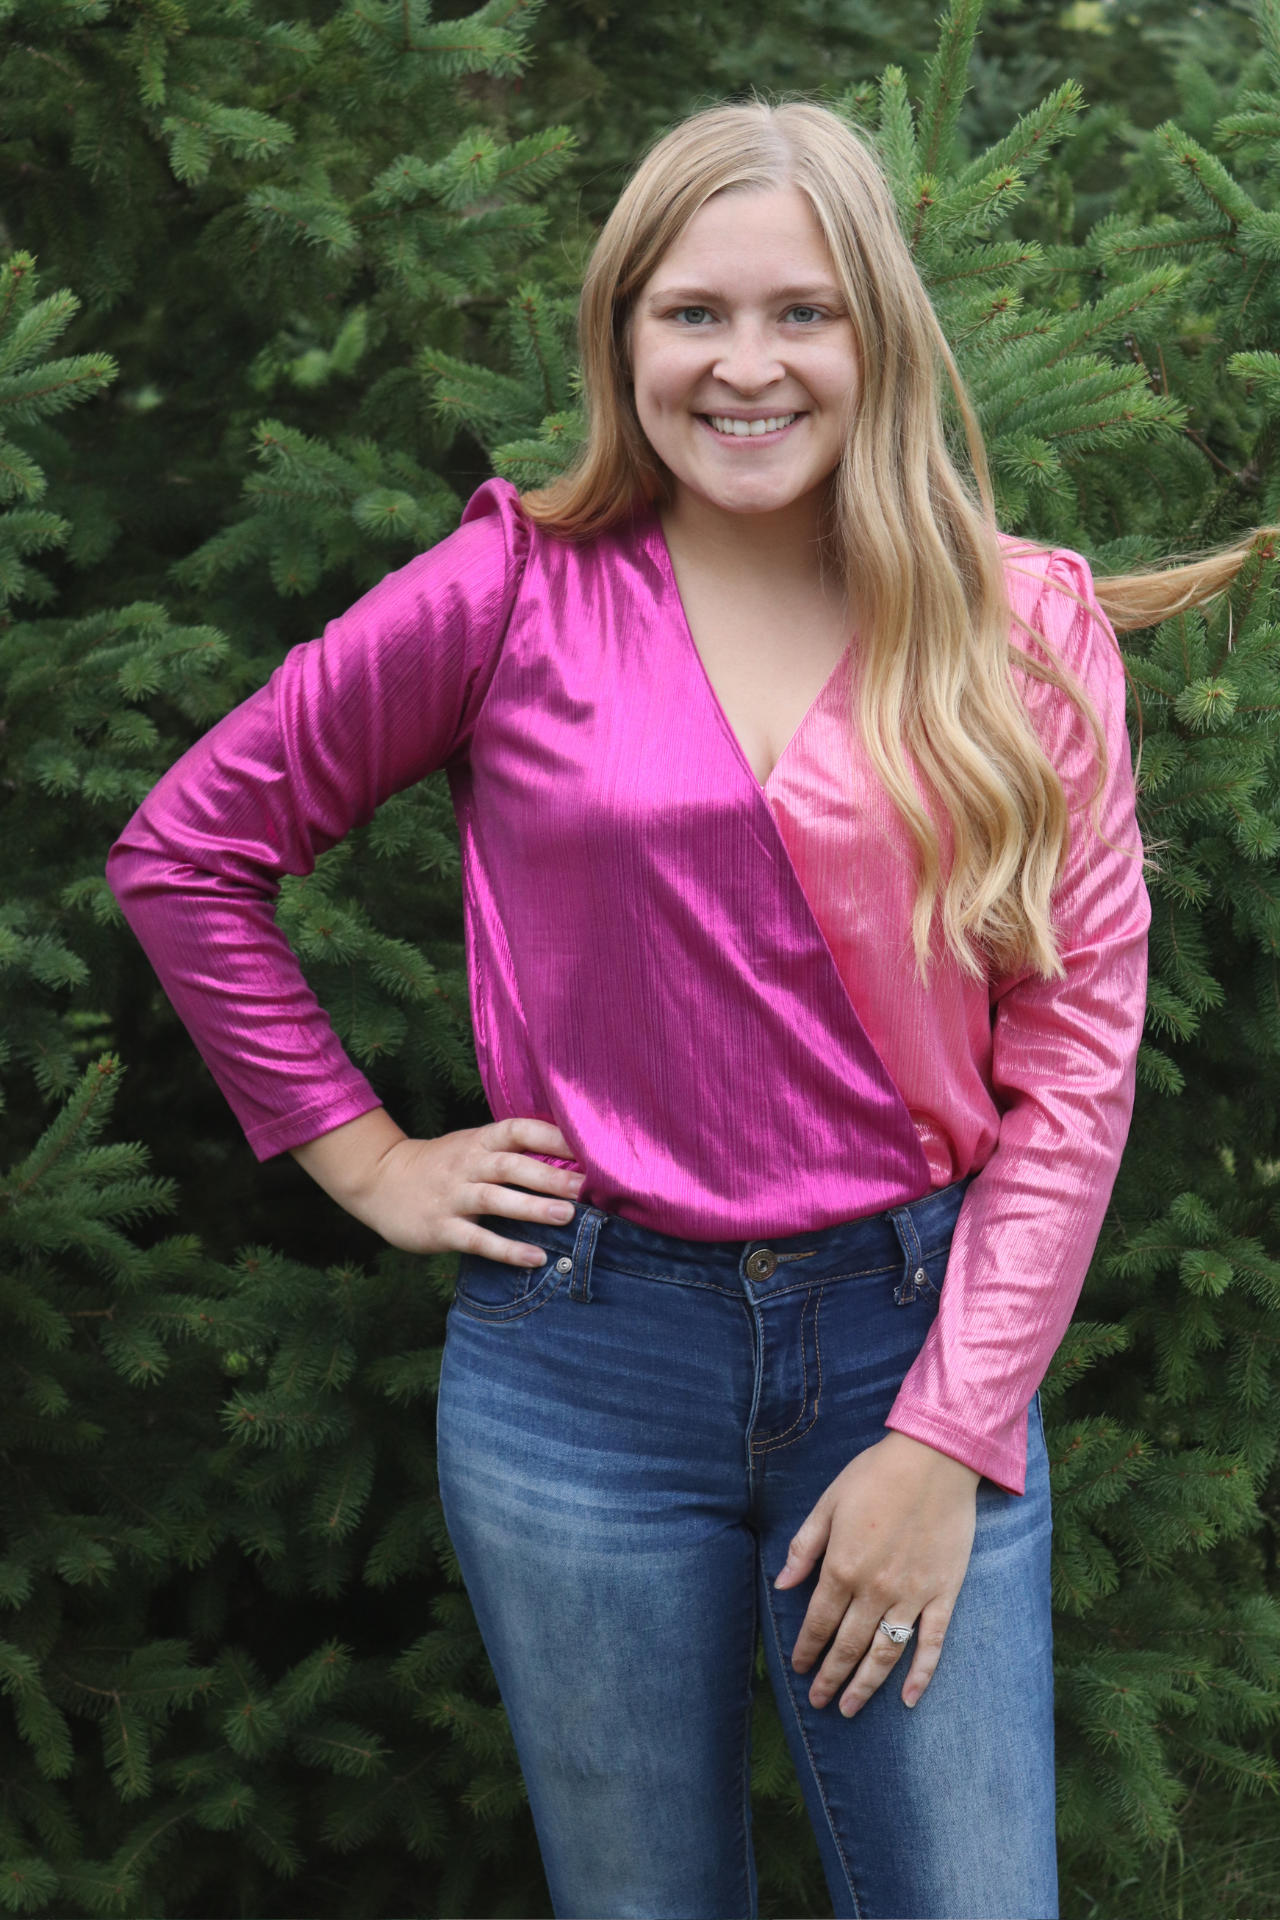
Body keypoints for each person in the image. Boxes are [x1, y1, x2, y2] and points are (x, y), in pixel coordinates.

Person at [106, 99, 1256, 1920]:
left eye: (803, 311)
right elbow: (189, 850)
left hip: (916, 1341)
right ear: (619, 335)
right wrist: (363, 1157)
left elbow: (1077, 1059)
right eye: (692, 313)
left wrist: (948, 1433)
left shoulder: (1019, 630)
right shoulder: (506, 594)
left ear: (878, 334)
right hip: (579, 1370)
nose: (747, 365)